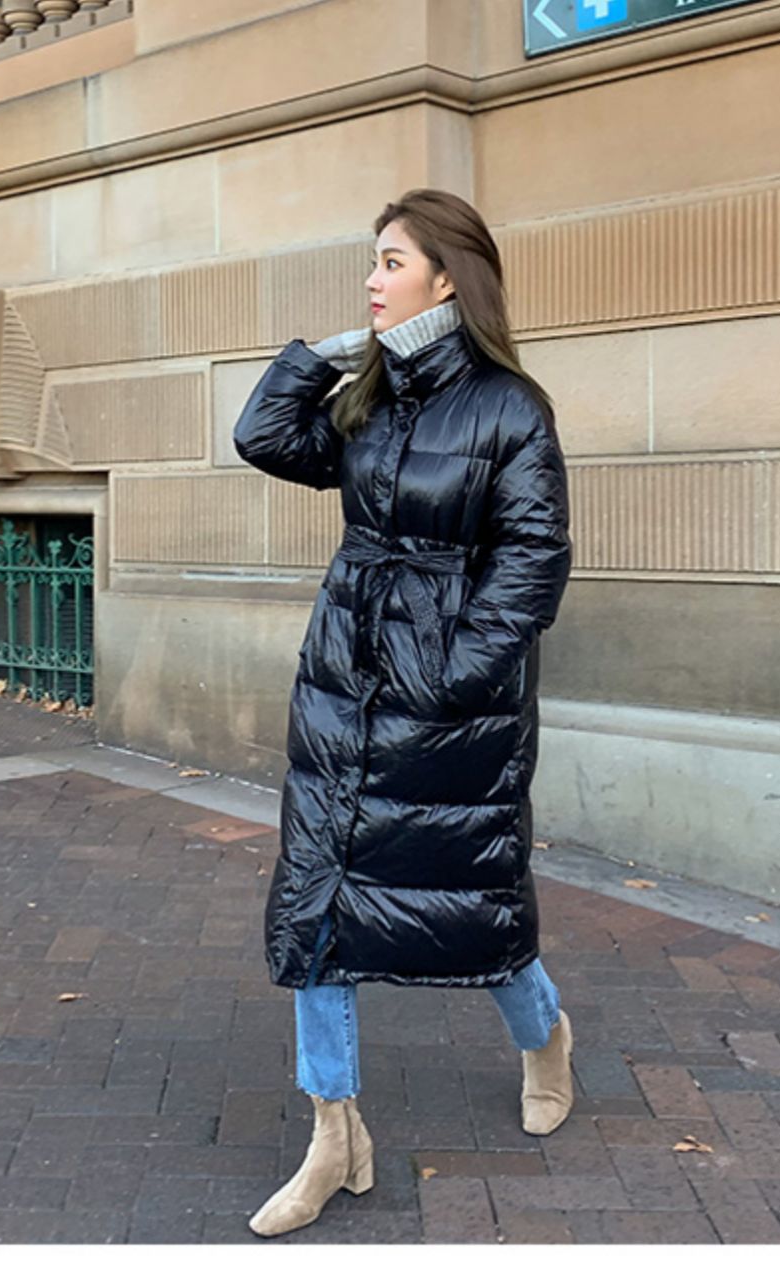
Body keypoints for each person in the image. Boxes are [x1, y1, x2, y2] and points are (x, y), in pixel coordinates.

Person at [233, 188, 575, 1238]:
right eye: (374, 260)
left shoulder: (511, 408)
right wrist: (320, 359)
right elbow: (264, 437)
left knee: (472, 900)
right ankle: (334, 1132)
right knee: (318, 900)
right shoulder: (371, 397)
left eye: (391, 261)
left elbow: (533, 559)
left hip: (447, 696)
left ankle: (547, 1034)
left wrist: (454, 677)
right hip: (345, 673)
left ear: (446, 277)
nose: (372, 279)